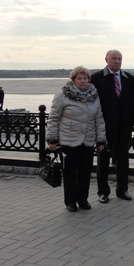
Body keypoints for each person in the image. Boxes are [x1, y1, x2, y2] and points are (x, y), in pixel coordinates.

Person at [47, 66, 106, 212]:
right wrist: (52, 139)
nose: (83, 81)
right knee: (70, 173)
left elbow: (99, 119)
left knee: (85, 172)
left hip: (87, 140)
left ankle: (83, 199)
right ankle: (70, 201)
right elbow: (54, 118)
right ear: (73, 80)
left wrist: (101, 140)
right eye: (79, 78)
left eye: (85, 78)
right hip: (68, 141)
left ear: (89, 80)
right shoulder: (63, 95)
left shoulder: (94, 96)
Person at [91, 49, 134, 203]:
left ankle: (122, 190)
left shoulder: (129, 79)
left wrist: (132, 122)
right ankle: (103, 192)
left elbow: (133, 103)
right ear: (106, 60)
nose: (117, 61)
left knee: (123, 160)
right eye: (113, 58)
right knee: (103, 161)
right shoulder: (96, 78)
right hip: (104, 128)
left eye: (119, 59)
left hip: (124, 128)